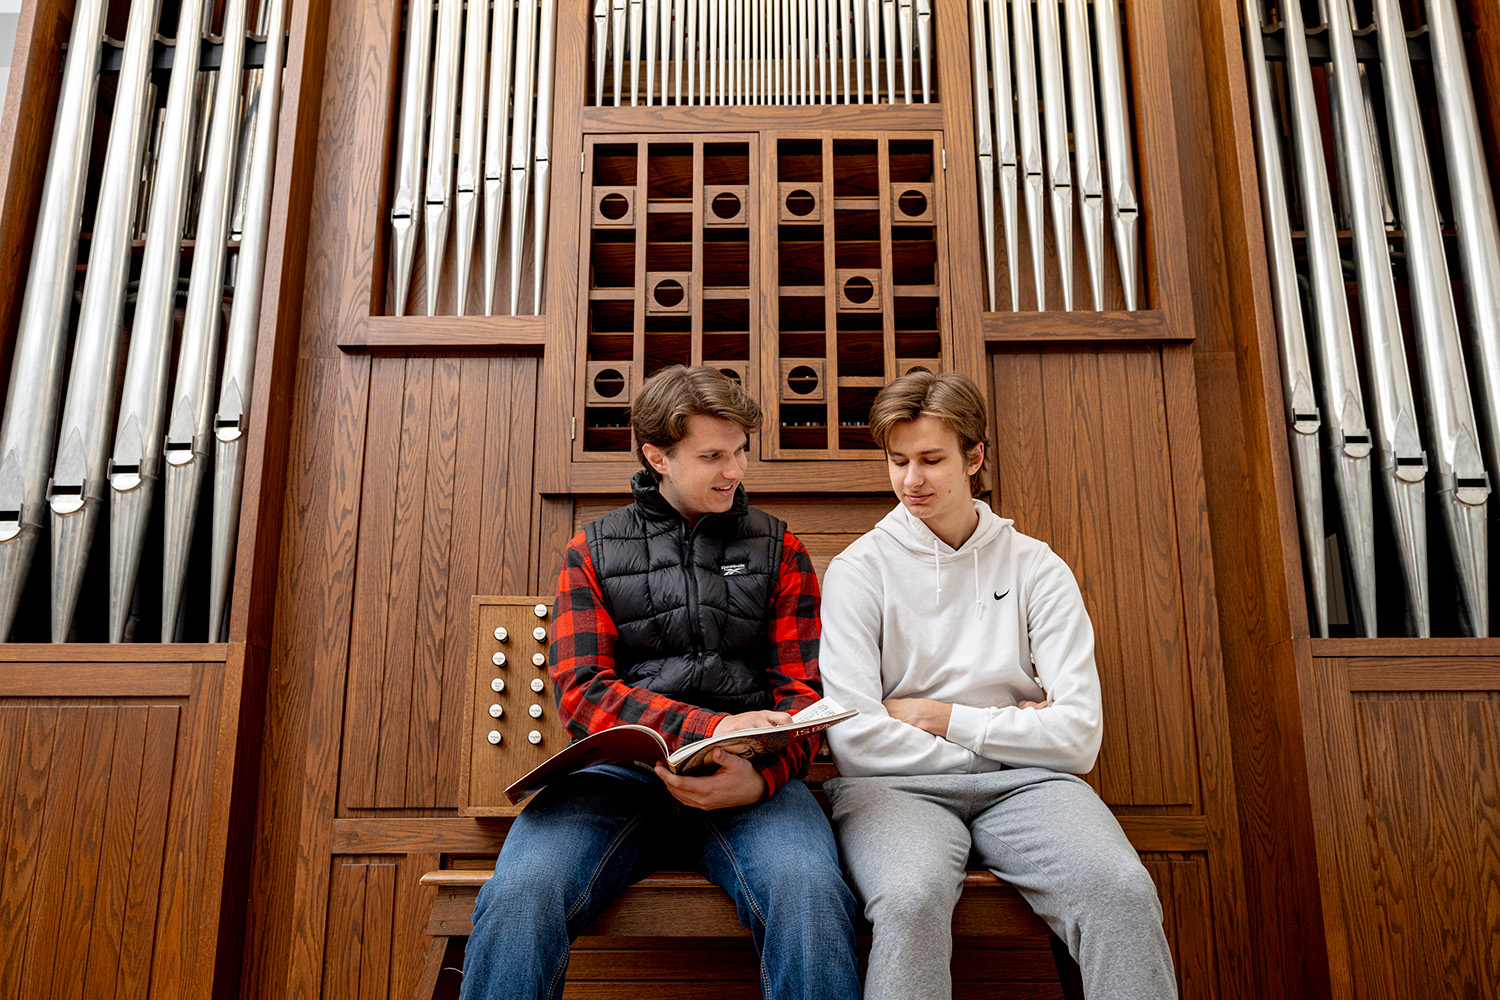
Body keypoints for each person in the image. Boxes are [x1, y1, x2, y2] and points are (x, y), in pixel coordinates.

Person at [462, 365, 861, 1000]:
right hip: (619, 782)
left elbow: (800, 695)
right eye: (712, 456)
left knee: (811, 894)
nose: (734, 471)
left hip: (750, 785)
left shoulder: (782, 550)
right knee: (518, 895)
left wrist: (760, 776)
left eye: (739, 452)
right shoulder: (589, 551)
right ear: (658, 456)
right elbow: (583, 692)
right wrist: (710, 727)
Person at [818, 369, 1177, 1000]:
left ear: (974, 456)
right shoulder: (858, 571)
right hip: (895, 790)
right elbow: (855, 742)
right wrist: (1017, 731)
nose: (911, 480)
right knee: (907, 899)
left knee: (1120, 888)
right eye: (897, 461)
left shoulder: (1036, 566)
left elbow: (1078, 739)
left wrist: (939, 716)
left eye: (931, 459)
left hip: (1030, 788)